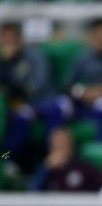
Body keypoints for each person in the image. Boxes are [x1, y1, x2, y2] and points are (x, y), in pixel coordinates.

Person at [0, 21, 66, 173]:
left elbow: (36, 86)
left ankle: (55, 163)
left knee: (52, 112)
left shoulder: (35, 56)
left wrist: (18, 94)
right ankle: (6, 159)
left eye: (12, 38)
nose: (9, 42)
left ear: (19, 39)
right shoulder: (3, 62)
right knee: (20, 119)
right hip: (21, 108)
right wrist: (5, 63)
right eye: (5, 39)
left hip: (45, 103)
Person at [30, 127, 102, 192]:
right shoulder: (46, 170)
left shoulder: (84, 166)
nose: (61, 146)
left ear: (72, 144)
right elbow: (34, 193)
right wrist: (46, 169)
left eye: (64, 142)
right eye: (58, 143)